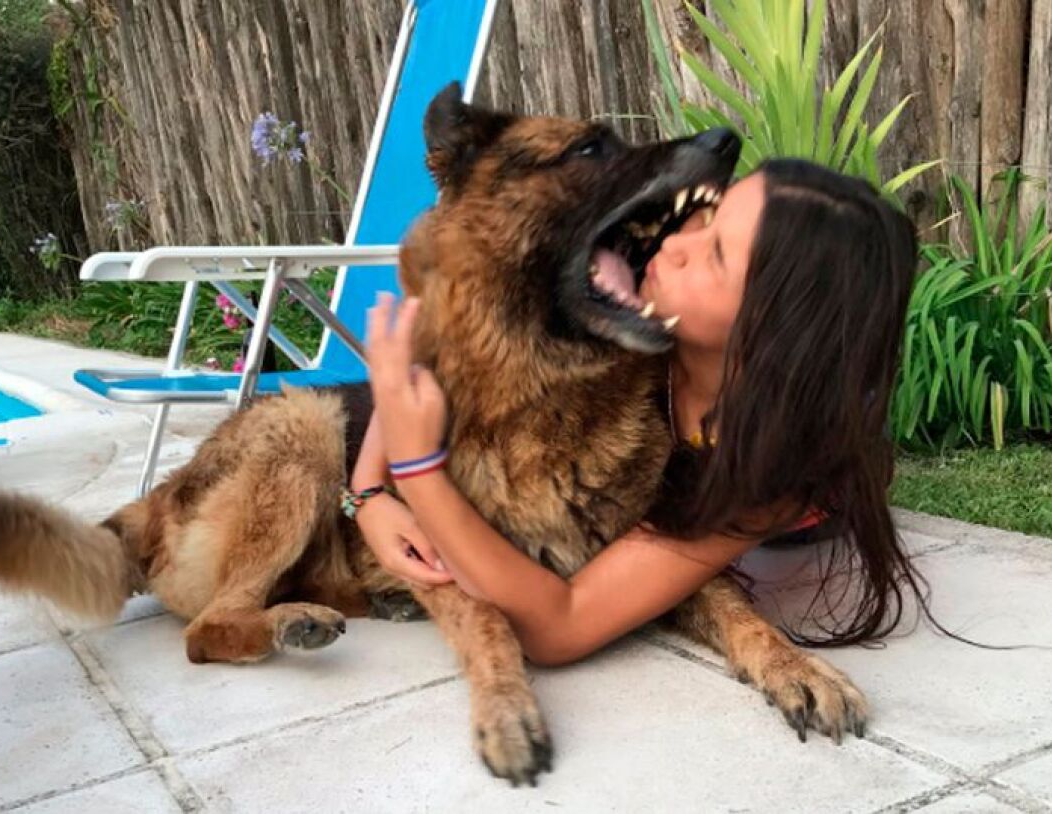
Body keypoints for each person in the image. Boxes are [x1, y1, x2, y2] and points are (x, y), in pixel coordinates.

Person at [353, 158, 922, 667]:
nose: (675, 244)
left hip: (798, 484)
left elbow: (562, 625)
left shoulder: (767, 470)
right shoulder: (637, 298)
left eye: (715, 256)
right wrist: (367, 492)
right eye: (708, 217)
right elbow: (454, 317)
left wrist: (419, 472)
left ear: (771, 331)